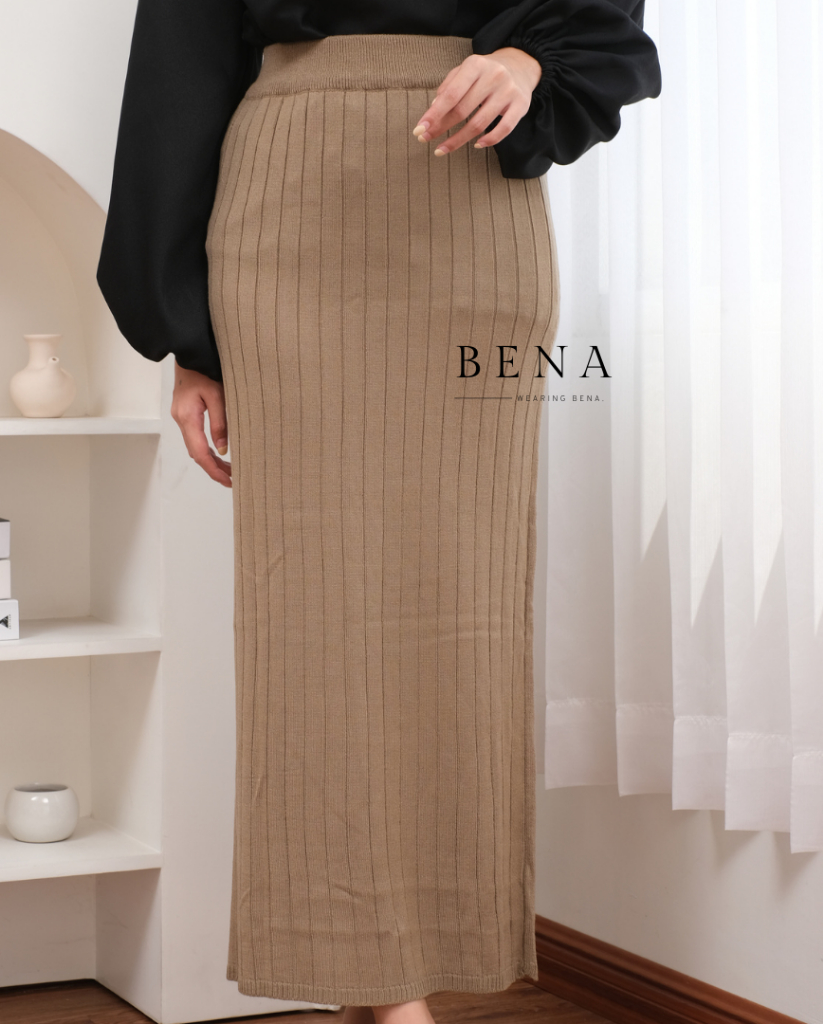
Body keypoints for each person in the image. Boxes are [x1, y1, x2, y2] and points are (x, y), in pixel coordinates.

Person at [98, 4, 661, 1023]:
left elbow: (601, 13)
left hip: (471, 207)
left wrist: (529, 61)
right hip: (293, 204)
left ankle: (389, 982)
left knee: (464, 601)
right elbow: (179, 62)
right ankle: (383, 988)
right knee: (311, 612)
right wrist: (189, 339)